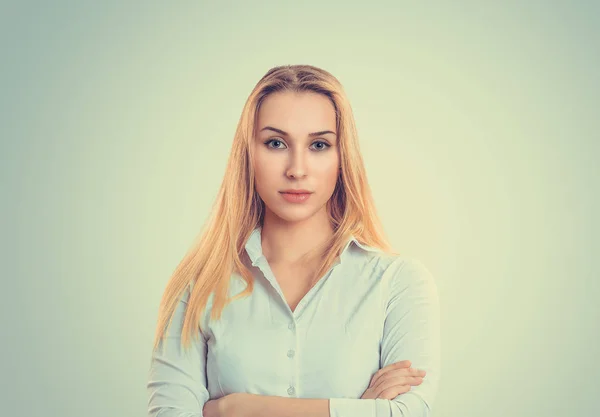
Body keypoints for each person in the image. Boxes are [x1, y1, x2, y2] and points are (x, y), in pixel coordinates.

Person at [146, 64, 440, 417]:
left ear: (342, 157)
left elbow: (409, 413)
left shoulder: (398, 282)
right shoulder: (198, 286)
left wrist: (236, 410)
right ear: (248, 155)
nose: (297, 169)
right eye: (275, 143)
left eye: (319, 144)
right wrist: (356, 410)